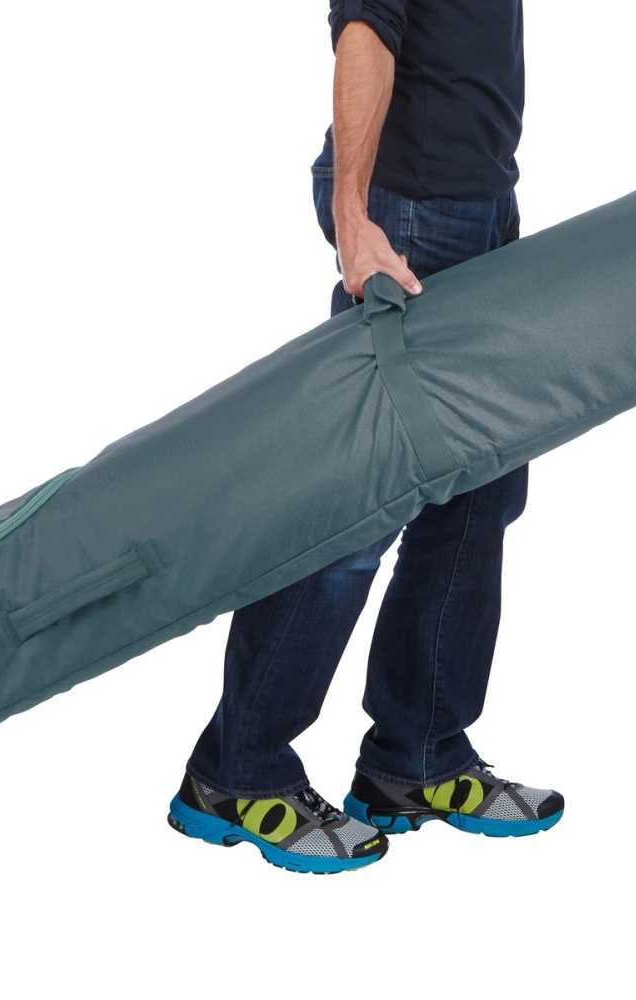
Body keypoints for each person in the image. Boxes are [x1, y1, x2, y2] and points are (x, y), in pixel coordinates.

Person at [166, 0, 563, 874]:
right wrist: (352, 213)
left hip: (483, 205)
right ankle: (236, 771)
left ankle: (417, 757)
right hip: (408, 212)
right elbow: (365, 29)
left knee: (480, 495)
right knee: (352, 506)